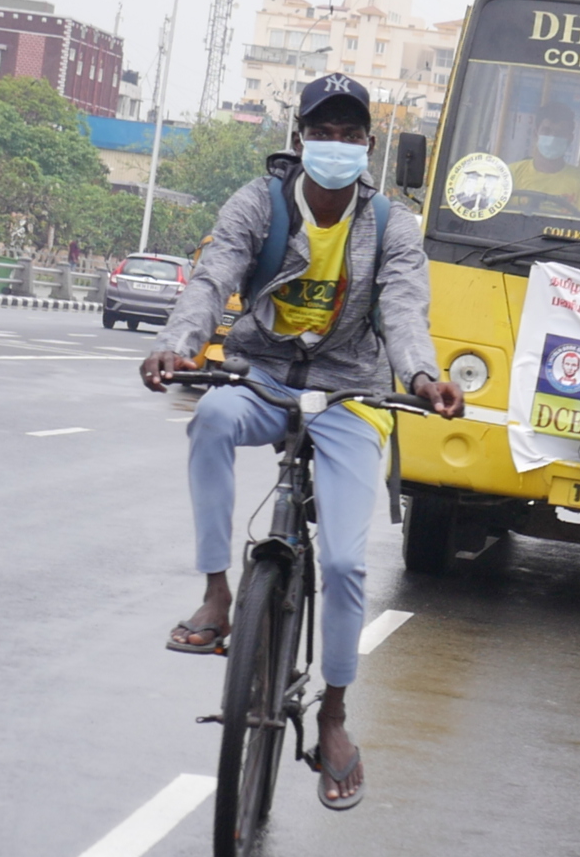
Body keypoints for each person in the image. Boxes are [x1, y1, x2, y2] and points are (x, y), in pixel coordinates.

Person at [140, 72, 465, 810]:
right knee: (213, 421)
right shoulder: (260, 203)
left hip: (352, 395)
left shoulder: (392, 225)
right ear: (298, 141)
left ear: (369, 149)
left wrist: (421, 377)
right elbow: (214, 272)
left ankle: (337, 715)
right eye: (325, 132)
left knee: (349, 562)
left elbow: (406, 310)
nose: (337, 145)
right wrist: (178, 342)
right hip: (265, 378)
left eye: (352, 135)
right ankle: (219, 596)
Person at [508, 101, 580, 216]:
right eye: (546, 131)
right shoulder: (510, 173)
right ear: (536, 134)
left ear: (570, 139)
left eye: (560, 133)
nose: (552, 137)